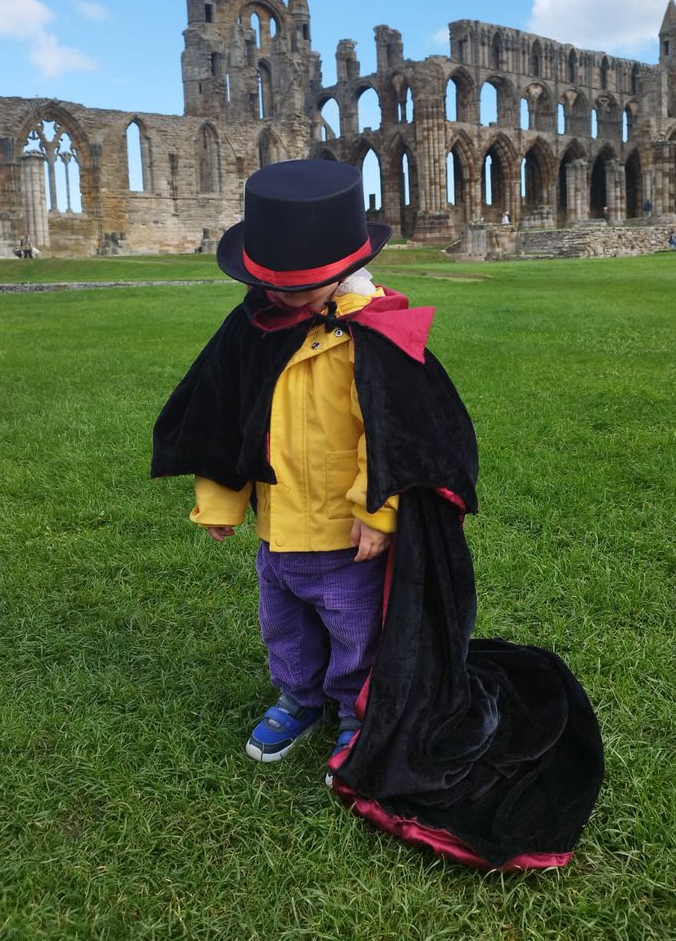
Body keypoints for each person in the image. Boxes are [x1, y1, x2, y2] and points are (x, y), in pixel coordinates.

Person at [152, 159, 603, 871]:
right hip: (279, 530)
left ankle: (361, 713)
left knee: (355, 632)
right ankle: (298, 697)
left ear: (339, 270)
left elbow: (401, 434)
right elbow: (225, 420)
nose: (278, 295)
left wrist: (380, 510)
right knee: (285, 625)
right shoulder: (254, 328)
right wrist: (221, 500)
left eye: (296, 285)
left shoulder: (379, 333)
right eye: (268, 282)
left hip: (344, 537)